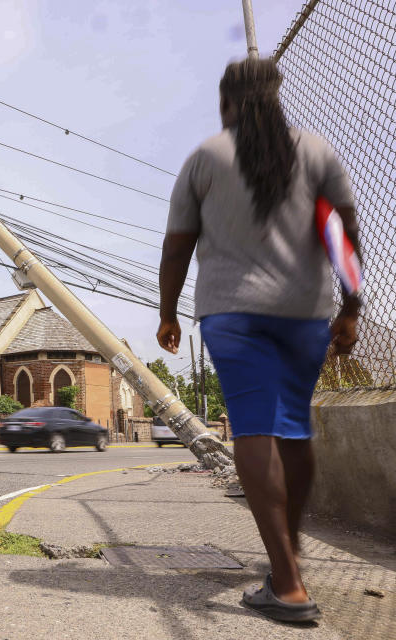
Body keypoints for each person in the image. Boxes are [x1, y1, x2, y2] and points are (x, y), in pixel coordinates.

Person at [157, 57, 361, 623]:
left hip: (232, 311)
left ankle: (289, 583)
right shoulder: (316, 151)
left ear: (226, 103)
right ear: (275, 99)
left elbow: (177, 246)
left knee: (253, 427)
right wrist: (352, 306)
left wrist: (167, 312)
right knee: (294, 429)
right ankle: (286, 555)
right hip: (304, 314)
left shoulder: (205, 157)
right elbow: (341, 231)